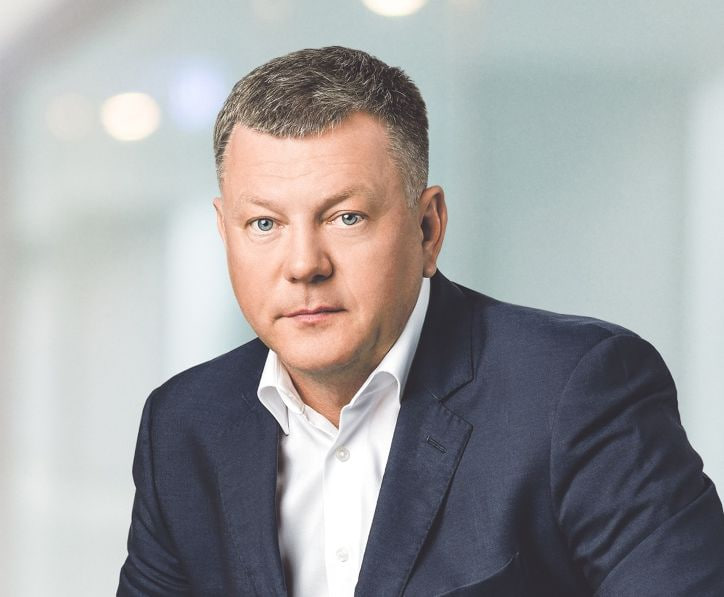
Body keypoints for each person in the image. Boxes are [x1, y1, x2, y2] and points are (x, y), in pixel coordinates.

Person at [117, 46, 724, 596]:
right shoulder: (184, 424)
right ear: (224, 232)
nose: (303, 265)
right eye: (264, 224)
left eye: (346, 217)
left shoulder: (575, 390)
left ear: (428, 228)